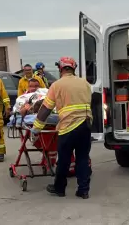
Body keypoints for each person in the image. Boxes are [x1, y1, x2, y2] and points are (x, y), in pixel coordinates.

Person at [31, 56, 92, 199]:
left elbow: (46, 108)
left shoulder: (57, 85)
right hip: (86, 124)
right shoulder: (85, 83)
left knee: (64, 160)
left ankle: (59, 189)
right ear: (73, 68)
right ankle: (83, 190)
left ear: (60, 68)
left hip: (68, 127)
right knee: (83, 158)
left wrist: (37, 127)